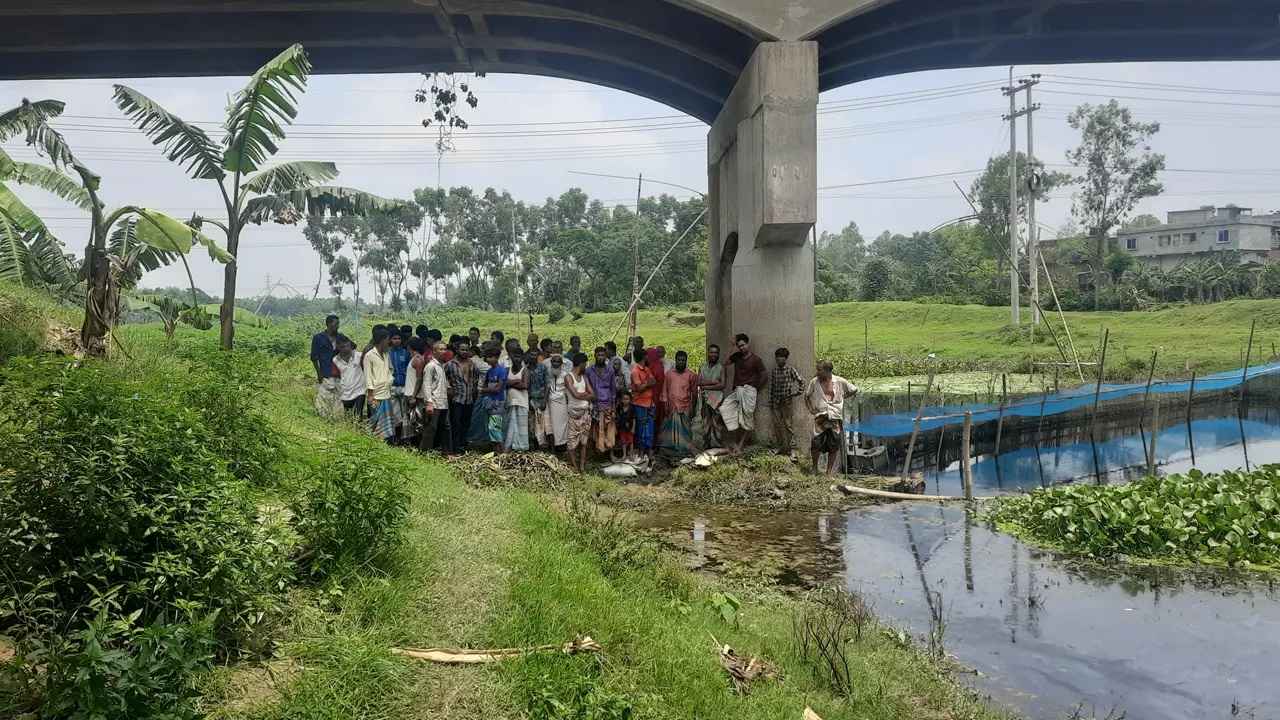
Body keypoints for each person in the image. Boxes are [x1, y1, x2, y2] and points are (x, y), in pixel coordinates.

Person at [805, 359, 858, 476]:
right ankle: (814, 468)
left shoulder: (839, 381)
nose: (817, 372)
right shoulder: (814, 382)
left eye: (819, 370)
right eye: (817, 369)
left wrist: (842, 397)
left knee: (834, 446)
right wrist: (810, 409)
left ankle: (828, 472)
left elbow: (854, 389)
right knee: (816, 443)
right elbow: (806, 395)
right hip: (821, 416)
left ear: (828, 370)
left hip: (835, 417)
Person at [720, 333, 766, 454]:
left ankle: (740, 445)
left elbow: (764, 375)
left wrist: (754, 388)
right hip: (737, 390)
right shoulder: (737, 356)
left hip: (749, 392)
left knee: (747, 419)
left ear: (748, 344)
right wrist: (732, 347)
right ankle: (734, 443)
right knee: (726, 409)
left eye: (743, 345)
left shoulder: (756, 359)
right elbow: (725, 362)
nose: (742, 348)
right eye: (739, 346)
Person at [769, 347, 805, 461]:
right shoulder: (774, 371)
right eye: (777, 358)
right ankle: (780, 447)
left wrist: (797, 392)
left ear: (785, 359)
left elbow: (801, 381)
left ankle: (792, 450)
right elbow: (772, 387)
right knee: (777, 425)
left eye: (781, 358)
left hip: (787, 402)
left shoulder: (790, 370)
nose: (779, 360)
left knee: (788, 425)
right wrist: (771, 401)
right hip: (776, 402)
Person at [659, 350, 698, 457]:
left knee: (685, 429)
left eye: (683, 360)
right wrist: (665, 404)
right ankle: (673, 448)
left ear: (686, 361)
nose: (681, 362)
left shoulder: (691, 375)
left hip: (685, 407)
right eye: (679, 360)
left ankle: (685, 449)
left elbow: (694, 393)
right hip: (672, 407)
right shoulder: (669, 374)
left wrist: (693, 408)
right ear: (675, 360)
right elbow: (664, 390)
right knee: (671, 429)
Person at [363, 327, 395, 443]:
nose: (389, 342)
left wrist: (389, 379)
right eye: (388, 339)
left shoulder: (386, 354)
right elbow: (368, 376)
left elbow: (390, 369)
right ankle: (374, 443)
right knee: (375, 422)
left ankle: (386, 443)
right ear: (382, 340)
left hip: (386, 393)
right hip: (375, 395)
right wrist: (370, 395)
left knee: (387, 423)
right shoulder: (369, 355)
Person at [446, 340, 478, 454]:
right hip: (456, 399)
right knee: (456, 424)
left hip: (469, 399)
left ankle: (463, 445)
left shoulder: (473, 365)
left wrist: (475, 395)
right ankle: (455, 447)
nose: (464, 352)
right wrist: (449, 389)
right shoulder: (450, 364)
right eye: (462, 349)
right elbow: (444, 379)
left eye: (466, 350)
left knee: (466, 423)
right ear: (457, 350)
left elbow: (475, 381)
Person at [564, 352, 594, 471]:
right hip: (574, 414)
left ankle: (581, 466)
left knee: (584, 442)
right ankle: (575, 466)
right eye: (585, 364)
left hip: (585, 413)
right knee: (572, 443)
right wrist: (586, 395)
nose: (585, 366)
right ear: (581, 364)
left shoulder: (584, 377)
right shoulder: (568, 377)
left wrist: (582, 395)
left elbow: (594, 395)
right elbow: (575, 395)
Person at [419, 341, 450, 452]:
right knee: (430, 429)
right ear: (434, 351)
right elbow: (426, 384)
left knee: (442, 428)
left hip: (443, 402)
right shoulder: (430, 366)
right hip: (434, 401)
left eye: (444, 349)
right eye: (440, 349)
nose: (443, 351)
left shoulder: (441, 365)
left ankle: (437, 451)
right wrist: (429, 402)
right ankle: (424, 452)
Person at [585, 346, 617, 455]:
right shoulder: (589, 370)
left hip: (607, 403)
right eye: (598, 355)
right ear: (594, 356)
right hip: (594, 404)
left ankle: (608, 453)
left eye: (602, 355)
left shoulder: (610, 370)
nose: (600, 357)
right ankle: (596, 452)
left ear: (605, 356)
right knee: (595, 428)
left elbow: (613, 389)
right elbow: (586, 387)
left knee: (608, 428)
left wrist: (613, 406)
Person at [310, 314, 341, 416]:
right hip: (326, 372)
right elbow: (314, 358)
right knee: (324, 398)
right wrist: (319, 373)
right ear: (328, 324)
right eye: (335, 324)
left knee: (338, 398)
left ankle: (337, 418)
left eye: (338, 324)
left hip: (339, 373)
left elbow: (352, 346)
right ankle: (323, 418)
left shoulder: (340, 337)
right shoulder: (318, 338)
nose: (337, 326)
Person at [479, 347, 508, 453]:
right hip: (489, 401)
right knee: (490, 428)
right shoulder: (489, 371)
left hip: (497, 402)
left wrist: (484, 390)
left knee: (495, 427)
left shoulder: (501, 370)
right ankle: (495, 450)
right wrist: (487, 390)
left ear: (496, 358)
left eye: (489, 357)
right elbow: (487, 385)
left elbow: (498, 389)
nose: (487, 359)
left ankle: (501, 450)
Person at [697, 344, 726, 448]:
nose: (714, 354)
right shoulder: (702, 367)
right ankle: (706, 445)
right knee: (705, 422)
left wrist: (707, 387)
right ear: (708, 353)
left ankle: (718, 446)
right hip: (705, 399)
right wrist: (714, 382)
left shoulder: (721, 368)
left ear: (718, 354)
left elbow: (722, 385)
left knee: (717, 423)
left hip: (717, 401)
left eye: (716, 352)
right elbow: (699, 382)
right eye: (711, 352)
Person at [629, 348, 656, 458]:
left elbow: (653, 381)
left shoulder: (647, 369)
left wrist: (645, 384)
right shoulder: (635, 371)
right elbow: (639, 388)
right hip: (640, 404)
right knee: (641, 428)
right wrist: (647, 383)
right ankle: (641, 450)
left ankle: (648, 450)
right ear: (644, 357)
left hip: (650, 403)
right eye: (647, 356)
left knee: (650, 427)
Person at [387, 329, 412, 444]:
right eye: (394, 338)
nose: (396, 341)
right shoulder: (387, 353)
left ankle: (406, 438)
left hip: (404, 386)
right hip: (392, 386)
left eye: (398, 338)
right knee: (395, 414)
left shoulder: (405, 353)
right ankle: (396, 437)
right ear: (390, 340)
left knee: (405, 413)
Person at [333, 335, 365, 418]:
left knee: (358, 415)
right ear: (338, 347)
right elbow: (336, 377)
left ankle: (359, 430)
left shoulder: (359, 356)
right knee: (348, 418)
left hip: (359, 390)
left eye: (348, 346)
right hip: (345, 392)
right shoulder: (335, 360)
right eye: (343, 347)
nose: (346, 348)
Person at [503, 353, 530, 452]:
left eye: (518, 356)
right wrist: (516, 381)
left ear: (522, 358)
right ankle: (508, 447)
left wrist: (510, 383)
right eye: (515, 356)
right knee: (510, 425)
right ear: (511, 357)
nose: (516, 358)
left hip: (522, 402)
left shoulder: (525, 370)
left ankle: (521, 448)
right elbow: (503, 383)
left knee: (521, 426)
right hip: (510, 401)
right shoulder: (507, 370)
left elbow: (525, 385)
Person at [541, 353, 569, 449]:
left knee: (562, 425)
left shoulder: (565, 375)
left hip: (562, 403)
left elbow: (568, 390)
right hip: (550, 402)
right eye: (554, 361)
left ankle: (562, 446)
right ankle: (554, 447)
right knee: (551, 426)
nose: (556, 363)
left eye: (558, 361)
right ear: (551, 362)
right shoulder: (547, 372)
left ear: (561, 363)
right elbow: (546, 387)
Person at [526, 350, 549, 449]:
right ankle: (533, 447)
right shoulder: (525, 369)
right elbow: (525, 387)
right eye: (531, 354)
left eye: (535, 354)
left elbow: (547, 385)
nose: (533, 356)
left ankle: (543, 447)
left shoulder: (543, 367)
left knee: (542, 425)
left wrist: (544, 400)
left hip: (541, 400)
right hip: (530, 400)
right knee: (531, 425)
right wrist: (527, 401)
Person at [615, 390, 636, 461]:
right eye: (624, 399)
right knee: (623, 442)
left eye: (627, 399)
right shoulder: (619, 408)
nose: (625, 401)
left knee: (631, 442)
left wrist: (633, 428)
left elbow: (634, 419)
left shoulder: (632, 408)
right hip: (622, 428)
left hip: (629, 428)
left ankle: (631, 455)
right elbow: (617, 417)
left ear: (630, 400)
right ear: (621, 400)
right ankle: (624, 455)